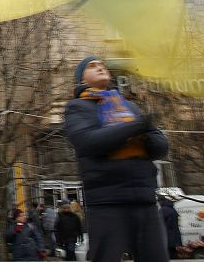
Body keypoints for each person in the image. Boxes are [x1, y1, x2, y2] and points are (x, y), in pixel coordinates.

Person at [63, 56, 169, 262]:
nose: (100, 67)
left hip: (144, 198)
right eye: (92, 66)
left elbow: (160, 147)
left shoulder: (129, 107)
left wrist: (142, 128)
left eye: (102, 65)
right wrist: (136, 127)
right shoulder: (77, 107)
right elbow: (88, 142)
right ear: (81, 80)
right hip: (107, 201)